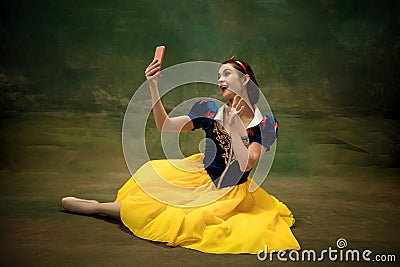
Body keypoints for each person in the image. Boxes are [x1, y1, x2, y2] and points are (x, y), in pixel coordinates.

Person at [61, 56, 300, 254]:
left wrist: (236, 128)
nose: (220, 79)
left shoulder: (265, 123)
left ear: (245, 78)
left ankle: (101, 208)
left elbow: (248, 162)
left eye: (227, 73)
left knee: (185, 219)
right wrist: (153, 86)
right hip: (199, 176)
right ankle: (101, 207)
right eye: (218, 75)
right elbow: (165, 125)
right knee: (156, 199)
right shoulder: (210, 110)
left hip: (230, 192)